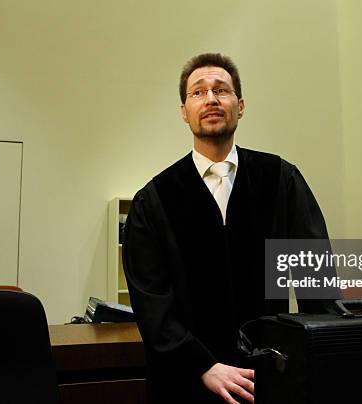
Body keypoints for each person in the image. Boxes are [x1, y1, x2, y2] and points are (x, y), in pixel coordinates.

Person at [122, 53, 331, 404]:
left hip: (268, 377)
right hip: (188, 380)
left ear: (241, 105)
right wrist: (202, 364)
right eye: (198, 93)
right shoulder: (154, 199)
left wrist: (319, 353)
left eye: (221, 90)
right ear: (184, 111)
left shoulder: (280, 180)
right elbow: (151, 303)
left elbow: (317, 280)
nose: (211, 99)